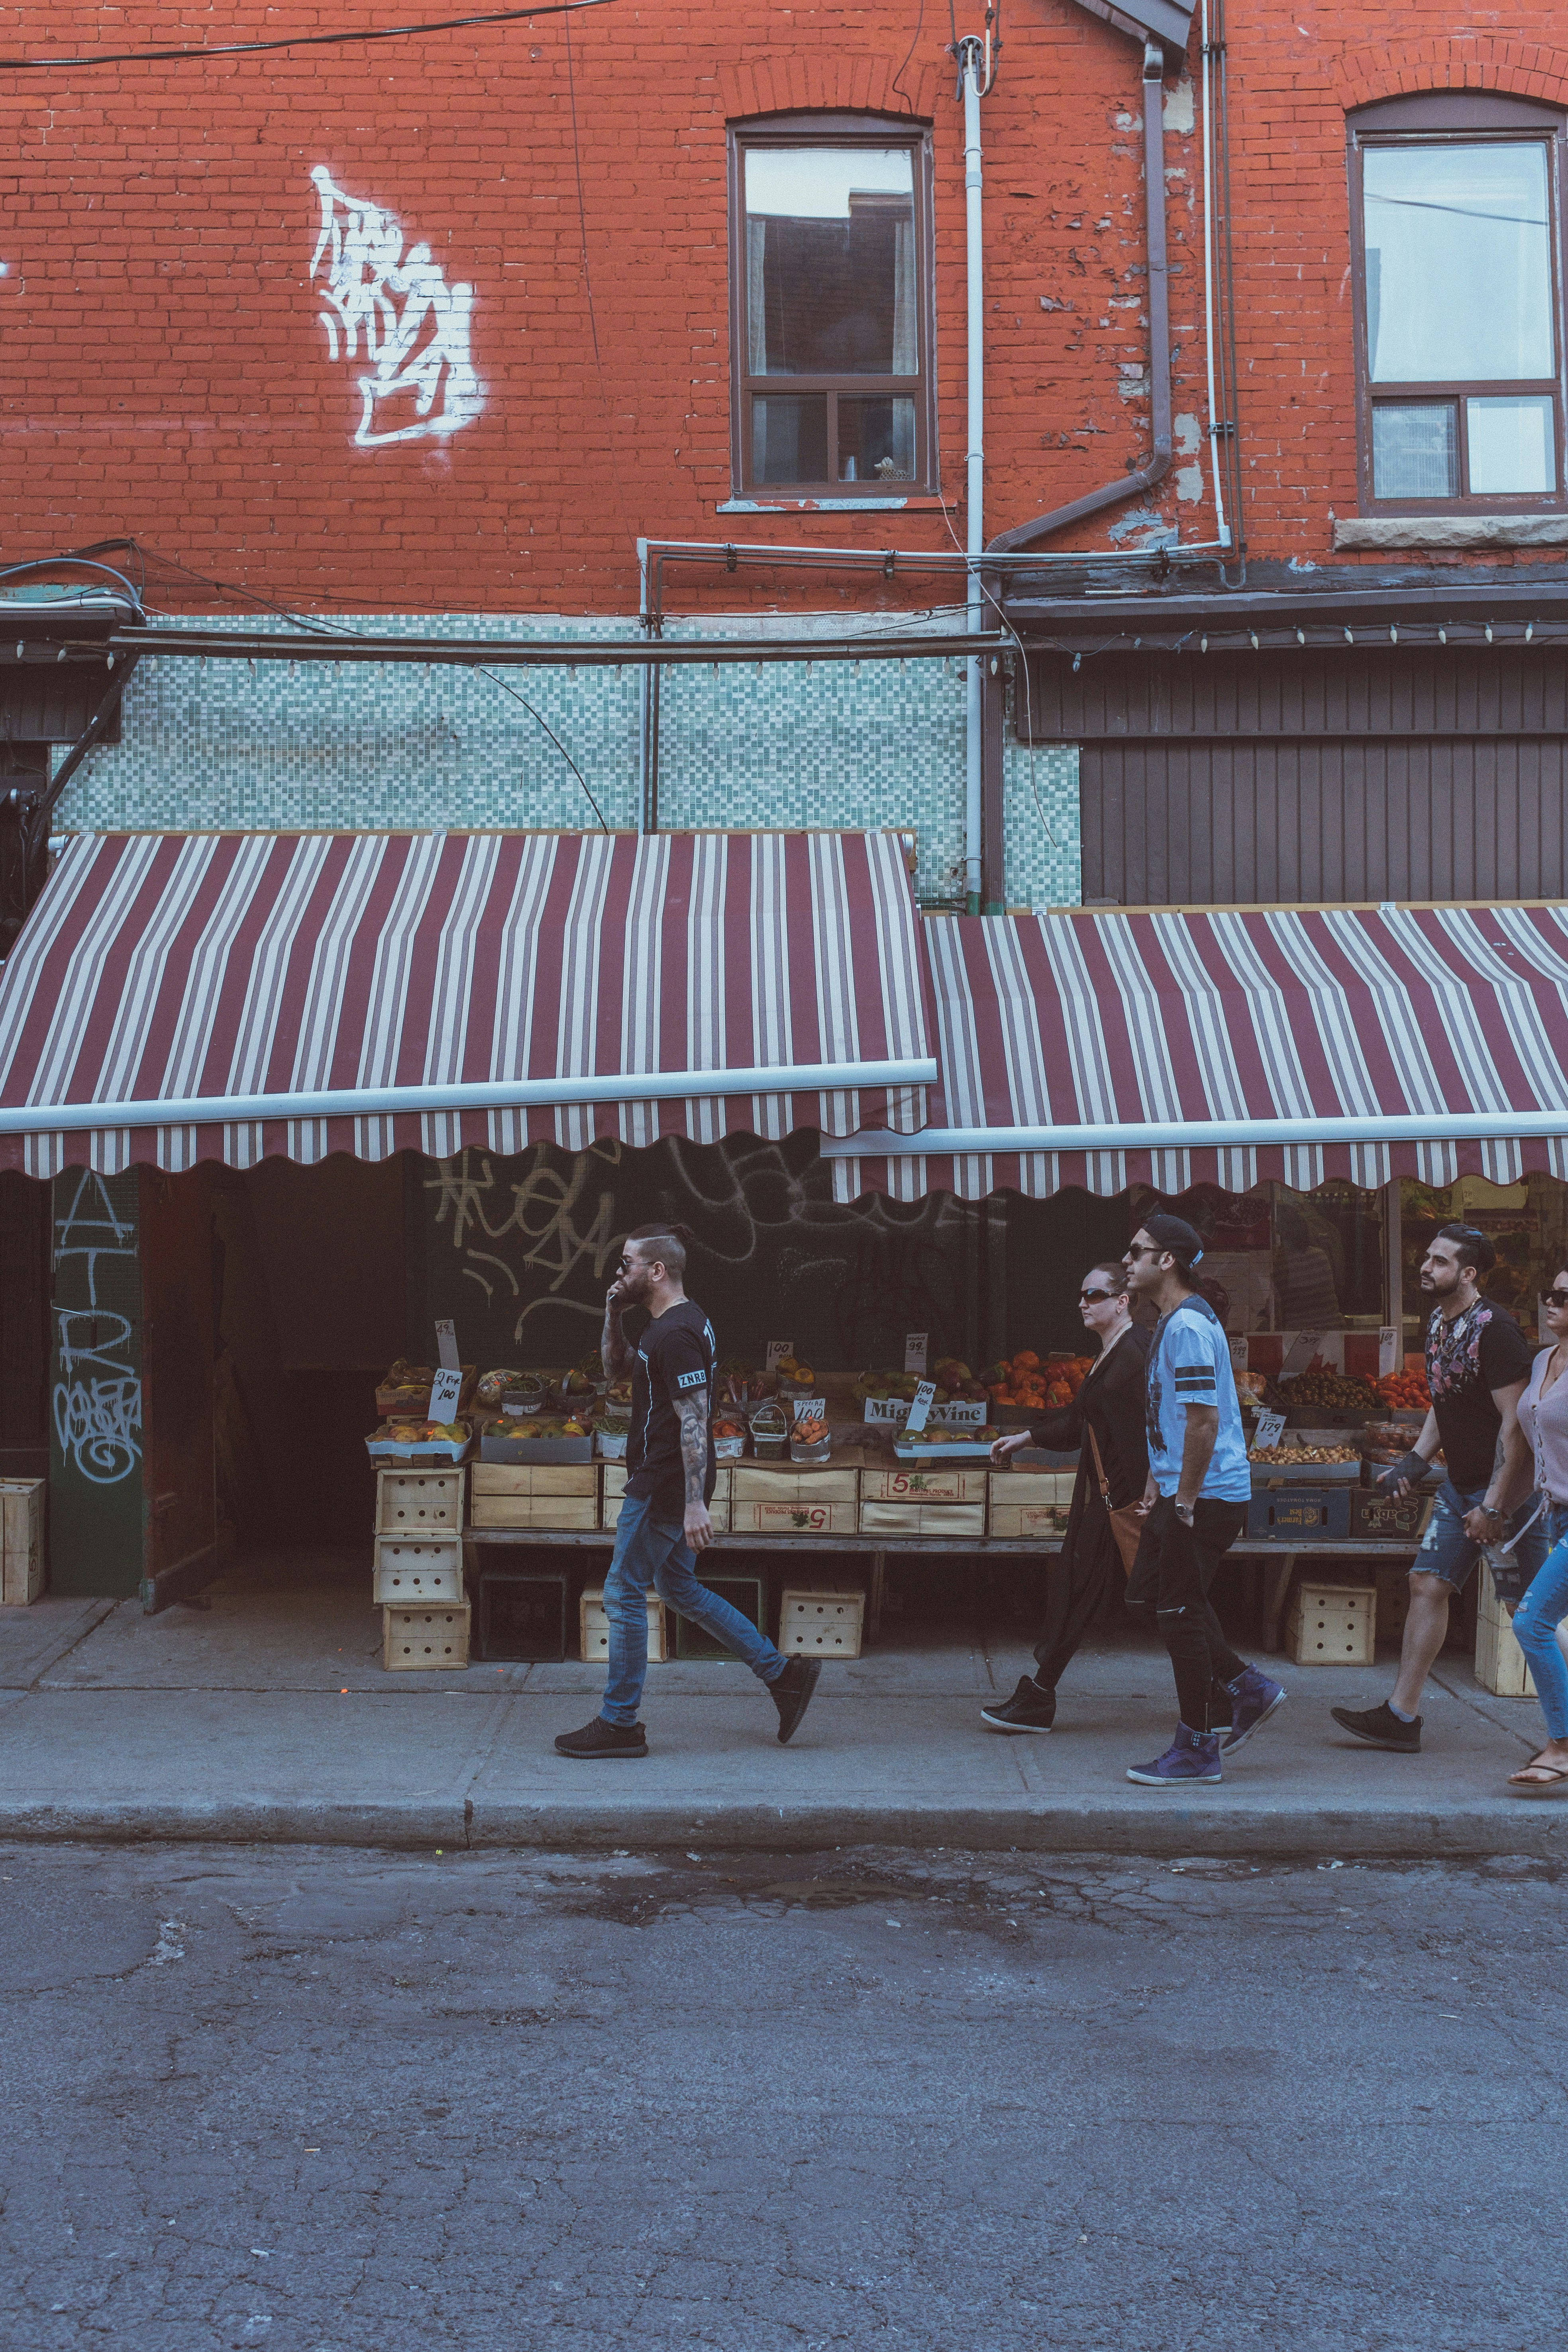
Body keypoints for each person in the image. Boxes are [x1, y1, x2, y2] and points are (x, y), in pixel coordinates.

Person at [553, 1223, 820, 1759]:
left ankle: (619, 1722)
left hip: (664, 1483)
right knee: (677, 1588)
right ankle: (783, 1674)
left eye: (626, 1263)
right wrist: (611, 1315)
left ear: (656, 1270)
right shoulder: (666, 1327)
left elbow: (695, 1420)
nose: (618, 1272)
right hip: (672, 1480)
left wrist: (693, 1501)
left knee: (622, 1593)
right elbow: (615, 1371)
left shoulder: (675, 1334)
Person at [1331, 1223, 1533, 1755]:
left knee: (1529, 1615)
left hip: (1506, 1494)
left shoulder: (1496, 1331)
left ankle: (1558, 1737)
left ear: (1467, 1273)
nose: (1425, 1266)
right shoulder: (1440, 1324)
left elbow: (1517, 1428)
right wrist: (1415, 1462)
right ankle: (1401, 1715)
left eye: (1439, 1261)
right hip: (1458, 1487)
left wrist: (1493, 1504)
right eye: (1426, 1257)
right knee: (1426, 1583)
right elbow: (1443, 1403)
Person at [1122, 1212, 1287, 1787]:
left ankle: (1196, 1746)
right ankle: (1245, 1688)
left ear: (1166, 1260)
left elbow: (1203, 1419)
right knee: (1150, 1596)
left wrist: (1184, 1497)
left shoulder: (1188, 1326)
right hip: (1183, 1487)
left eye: (1136, 1251)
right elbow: (1170, 1415)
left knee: (1175, 1610)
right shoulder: (1173, 1321)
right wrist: (1157, 1477)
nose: (1127, 1260)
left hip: (1206, 1493)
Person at [981, 1262, 1152, 1733]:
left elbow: (1156, 1431)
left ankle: (1233, 1688)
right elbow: (1081, 1419)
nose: (1082, 1302)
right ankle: (1039, 1695)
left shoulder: (1135, 1353)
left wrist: (1152, 1495)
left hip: (1129, 1503)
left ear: (1121, 1302)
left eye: (1093, 1294)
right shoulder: (1111, 1353)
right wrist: (1026, 1438)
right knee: (1079, 1591)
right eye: (1081, 1294)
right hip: (1107, 1499)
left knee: (1170, 1603)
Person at [1499, 1268, 1568, 1793]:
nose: (1549, 1301)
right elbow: (1526, 1444)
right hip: (1552, 1513)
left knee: (1530, 1623)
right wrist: (1500, 1504)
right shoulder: (1543, 1359)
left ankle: (1561, 1747)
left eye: (1563, 1297)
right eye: (1548, 1291)